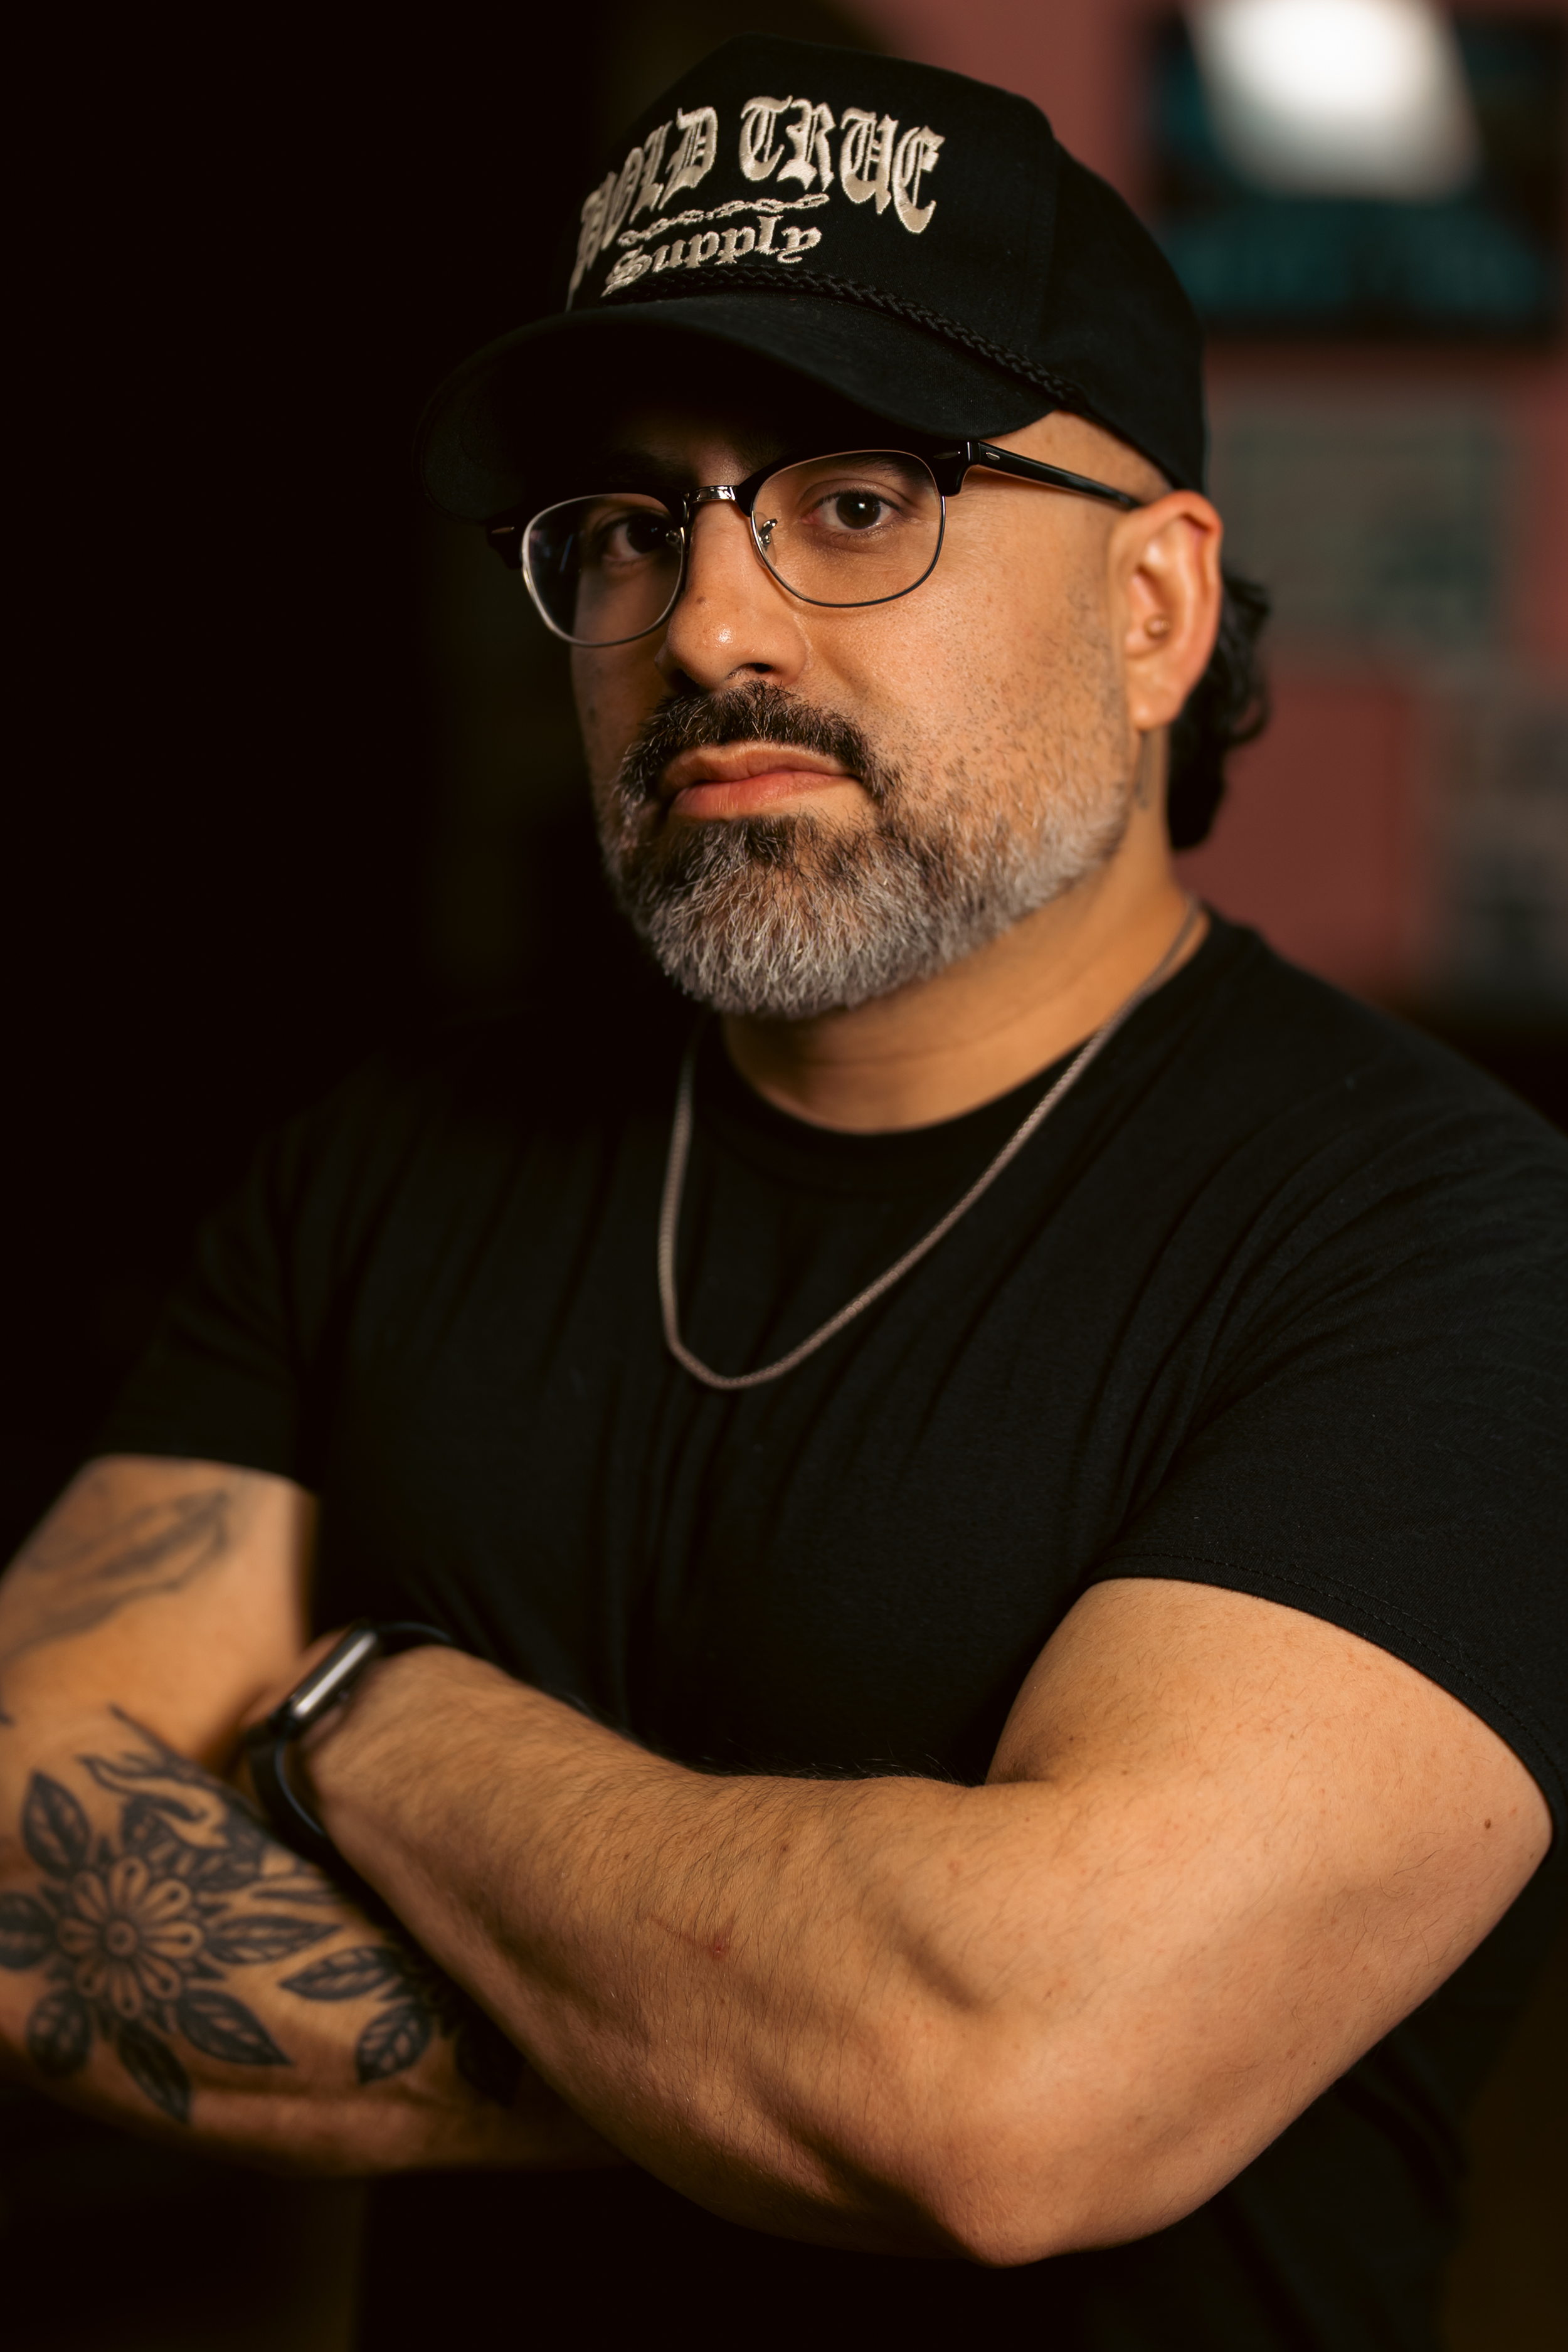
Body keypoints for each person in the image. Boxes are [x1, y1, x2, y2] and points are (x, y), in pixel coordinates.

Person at [2, 35, 1564, 2351]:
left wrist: (358, 1712)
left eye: (856, 501)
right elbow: (30, 1867)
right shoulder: (392, 1161)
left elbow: (1009, 2083)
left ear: (1151, 611)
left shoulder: (1456, 1251)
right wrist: (763, 2063)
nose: (707, 625)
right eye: (635, 528)